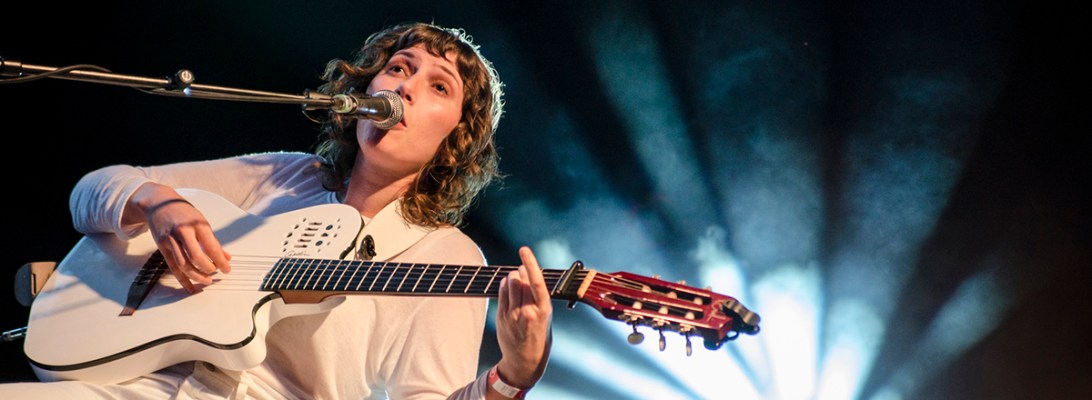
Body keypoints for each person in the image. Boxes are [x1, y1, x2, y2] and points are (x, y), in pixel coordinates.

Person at [1, 21, 552, 399]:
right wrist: (159, 203)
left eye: (438, 86)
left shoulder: (449, 257)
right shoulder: (290, 174)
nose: (405, 89)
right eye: (399, 69)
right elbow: (95, 191)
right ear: (366, 87)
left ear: (456, 137)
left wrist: (510, 377)